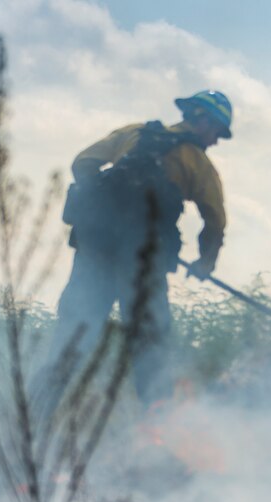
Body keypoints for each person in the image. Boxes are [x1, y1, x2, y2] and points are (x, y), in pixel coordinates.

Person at [47, 89, 232, 409]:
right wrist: (205, 263)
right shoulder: (198, 163)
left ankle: (32, 421)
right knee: (151, 350)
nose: (216, 140)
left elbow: (83, 161)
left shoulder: (133, 133)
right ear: (202, 120)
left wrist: (101, 201)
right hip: (144, 265)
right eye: (217, 131)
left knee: (72, 342)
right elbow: (215, 221)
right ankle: (157, 438)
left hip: (96, 254)